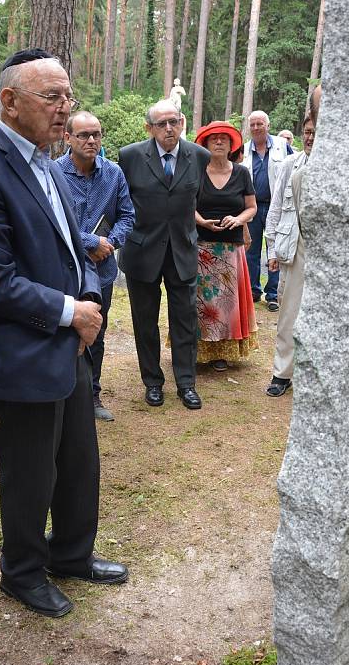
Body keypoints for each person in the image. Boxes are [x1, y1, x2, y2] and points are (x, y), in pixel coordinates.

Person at [0, 48, 128, 618]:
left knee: (77, 458)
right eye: (52, 97)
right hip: (22, 349)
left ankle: (71, 554)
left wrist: (90, 299)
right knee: (29, 470)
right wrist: (70, 311)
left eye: (67, 96)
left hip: (67, 339)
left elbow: (74, 246)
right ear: (10, 101)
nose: (64, 109)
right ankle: (22, 572)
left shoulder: (44, 160)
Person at [119, 99, 209, 410]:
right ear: (150, 128)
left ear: (182, 122)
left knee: (184, 319)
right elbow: (121, 203)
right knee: (145, 320)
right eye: (161, 123)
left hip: (182, 250)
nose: (169, 128)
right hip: (142, 251)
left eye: (174, 121)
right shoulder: (130, 157)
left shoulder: (199, 156)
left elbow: (198, 201)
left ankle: (186, 383)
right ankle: (153, 382)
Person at [56, 110, 135, 422]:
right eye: (83, 135)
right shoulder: (53, 173)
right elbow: (52, 220)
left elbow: (128, 215)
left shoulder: (113, 174)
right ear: (68, 138)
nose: (91, 140)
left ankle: (93, 395)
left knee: (96, 332)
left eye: (96, 134)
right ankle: (62, 395)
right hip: (64, 268)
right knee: (63, 329)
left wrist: (111, 243)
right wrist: (91, 242)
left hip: (101, 271)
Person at [193, 121, 258, 371]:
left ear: (232, 145)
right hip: (201, 247)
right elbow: (187, 205)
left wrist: (238, 219)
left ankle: (221, 353)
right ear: (206, 144)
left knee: (226, 303)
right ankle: (200, 350)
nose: (219, 142)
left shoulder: (242, 173)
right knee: (203, 302)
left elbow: (251, 207)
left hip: (231, 248)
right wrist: (202, 222)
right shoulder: (197, 172)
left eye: (224, 138)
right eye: (213, 138)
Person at [264, 115, 315, 396]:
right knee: (288, 314)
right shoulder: (289, 165)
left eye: (315, 132)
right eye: (307, 132)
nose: (309, 138)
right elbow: (274, 209)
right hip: (293, 248)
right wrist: (272, 249)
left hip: (320, 250)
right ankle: (282, 373)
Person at [242, 110, 293, 311]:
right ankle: (253, 291)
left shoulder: (283, 146)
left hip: (277, 206)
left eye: (259, 124)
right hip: (252, 206)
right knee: (251, 250)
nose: (256, 128)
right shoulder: (244, 149)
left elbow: (293, 168)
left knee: (276, 248)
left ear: (268, 126)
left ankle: (272, 294)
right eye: (252, 124)